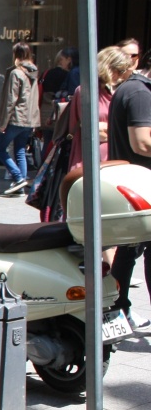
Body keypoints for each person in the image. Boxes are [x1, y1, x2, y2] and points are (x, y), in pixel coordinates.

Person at [107, 47, 151, 330]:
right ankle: (117, 308)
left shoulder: (132, 89)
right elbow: (142, 143)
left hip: (133, 183)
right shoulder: (140, 94)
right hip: (140, 185)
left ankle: (117, 308)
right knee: (133, 250)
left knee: (127, 251)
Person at [64, 46, 136, 173]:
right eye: (119, 70)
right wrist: (119, 131)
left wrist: (108, 129)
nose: (122, 75)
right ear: (109, 68)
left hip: (116, 162)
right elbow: (93, 131)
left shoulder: (121, 91)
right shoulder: (86, 91)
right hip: (89, 161)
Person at [0, 41, 40, 195]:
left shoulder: (16, 73)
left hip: (16, 118)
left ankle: (18, 178)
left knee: (0, 148)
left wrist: (3, 122)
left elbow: (11, 99)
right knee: (19, 150)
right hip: (28, 118)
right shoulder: (33, 72)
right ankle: (21, 182)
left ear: (16, 55)